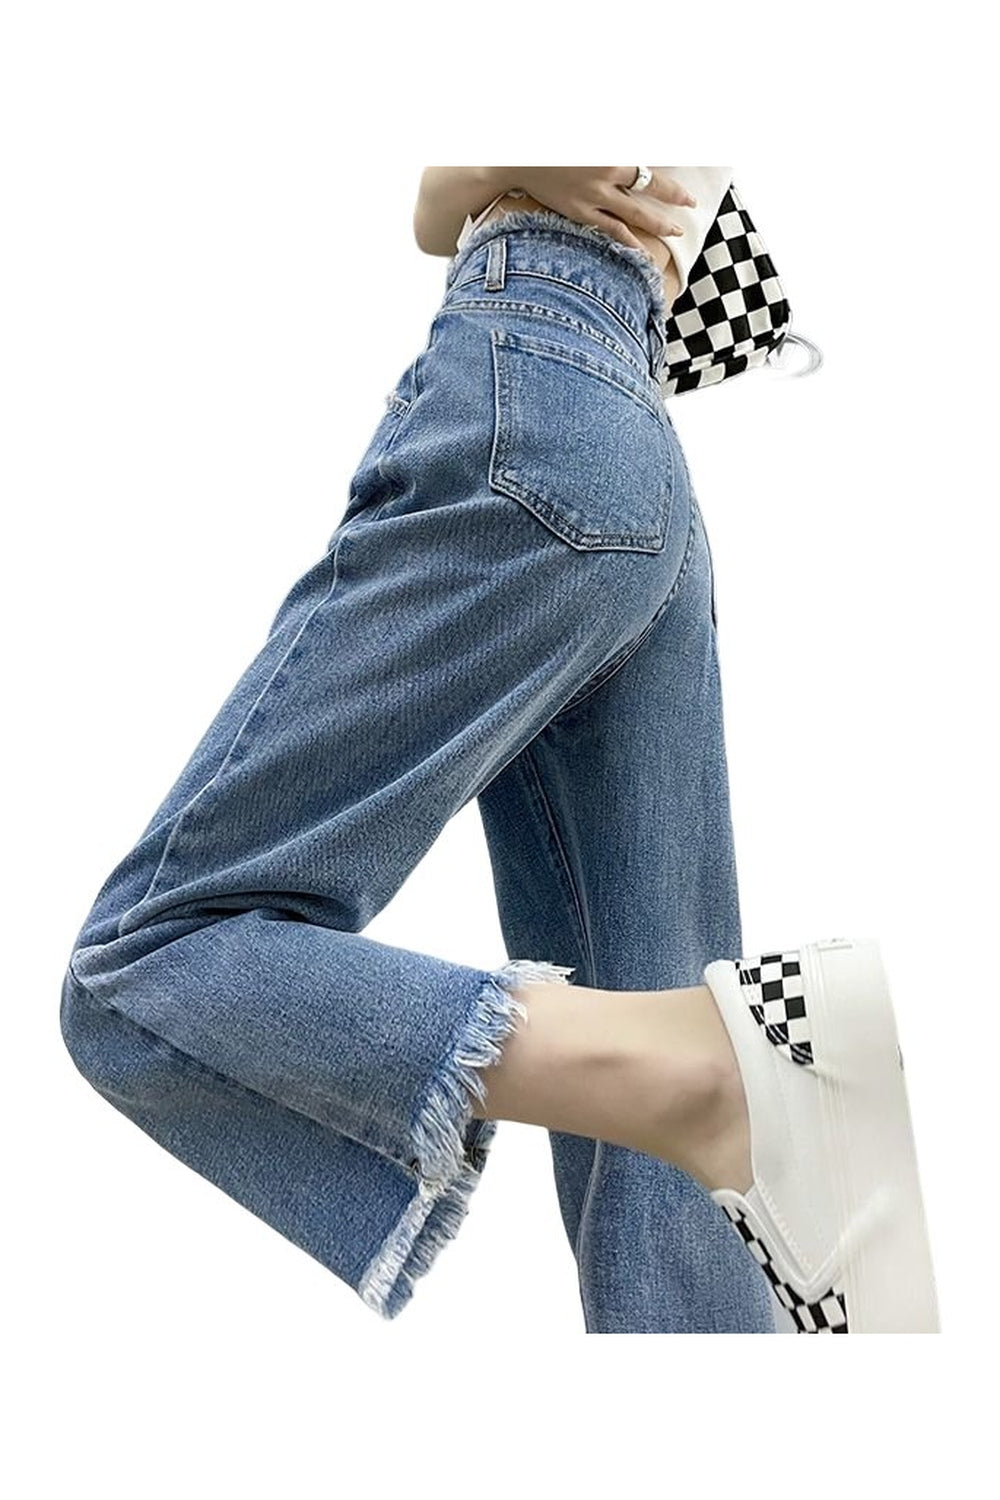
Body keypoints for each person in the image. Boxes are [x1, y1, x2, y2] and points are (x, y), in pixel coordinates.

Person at [59, 167, 939, 1333]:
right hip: (624, 442)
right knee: (664, 1151)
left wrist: (495, 169)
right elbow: (448, 206)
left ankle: (719, 1073)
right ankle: (727, 1120)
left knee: (147, 955)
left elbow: (472, 187)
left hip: (529, 394)